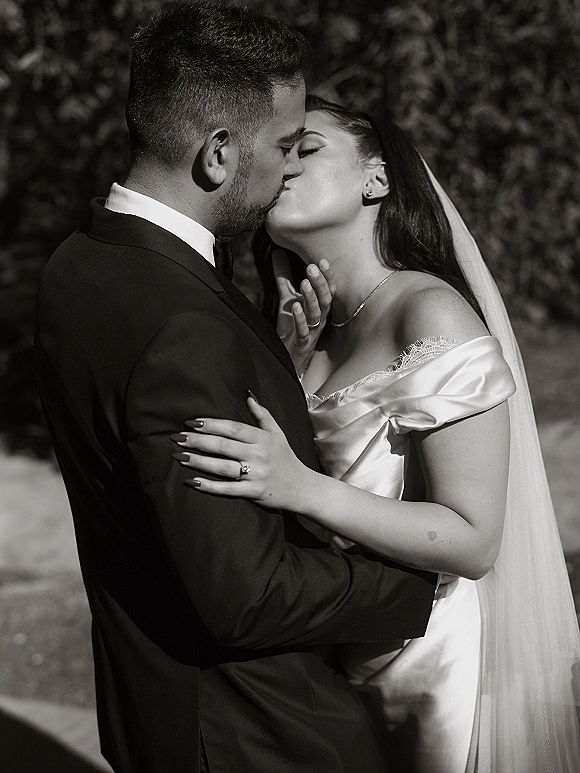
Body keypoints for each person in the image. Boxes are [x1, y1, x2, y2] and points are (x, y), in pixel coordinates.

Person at [34, 5, 438, 773]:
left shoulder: (80, 263)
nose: (293, 167)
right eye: (286, 145)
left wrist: (269, 357)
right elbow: (244, 595)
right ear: (217, 152)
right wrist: (410, 581)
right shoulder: (184, 326)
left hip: (154, 711)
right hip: (255, 738)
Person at [171, 95, 580, 772]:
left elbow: (474, 539)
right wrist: (284, 365)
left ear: (377, 179)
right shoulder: (308, 328)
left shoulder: (431, 313)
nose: (286, 167)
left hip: (431, 668)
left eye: (308, 149)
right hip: (334, 653)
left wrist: (299, 486)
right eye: (280, 152)